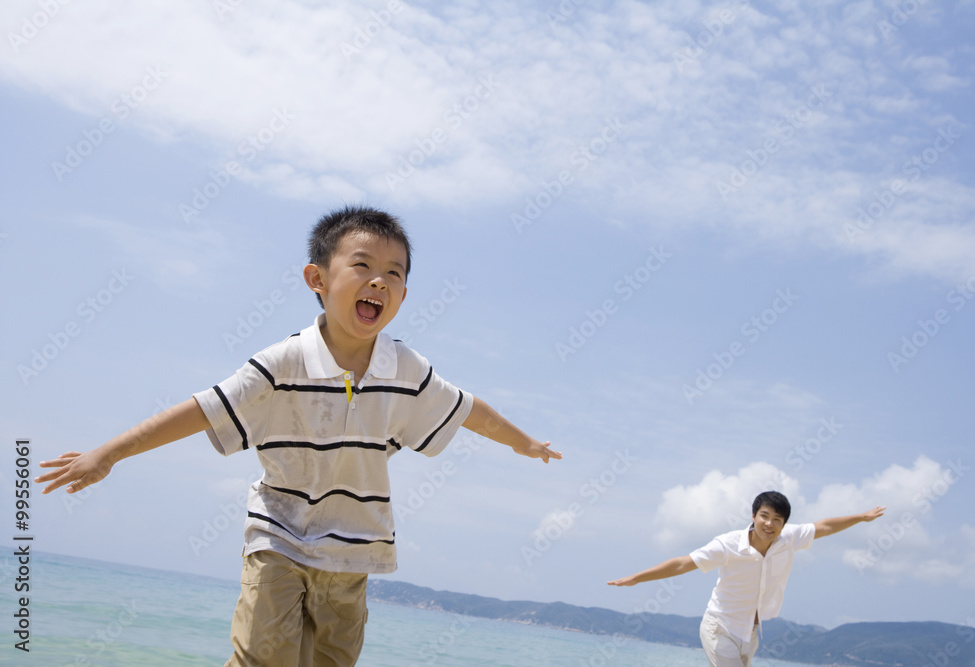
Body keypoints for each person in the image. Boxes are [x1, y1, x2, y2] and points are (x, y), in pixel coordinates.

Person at [36, 205, 562, 667]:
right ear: (318, 278)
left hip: (355, 548)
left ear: (403, 294)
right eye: (362, 266)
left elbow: (469, 409)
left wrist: (523, 442)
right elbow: (203, 408)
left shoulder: (405, 368)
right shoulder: (282, 361)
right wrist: (109, 453)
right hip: (279, 536)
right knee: (264, 656)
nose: (379, 281)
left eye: (393, 273)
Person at [608, 491, 885, 667]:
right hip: (720, 627)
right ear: (753, 516)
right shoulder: (728, 545)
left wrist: (861, 517)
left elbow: (824, 526)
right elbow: (682, 564)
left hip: (750, 633)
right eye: (764, 516)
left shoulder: (788, 539)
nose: (769, 524)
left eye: (777, 519)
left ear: (784, 524)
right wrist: (637, 578)